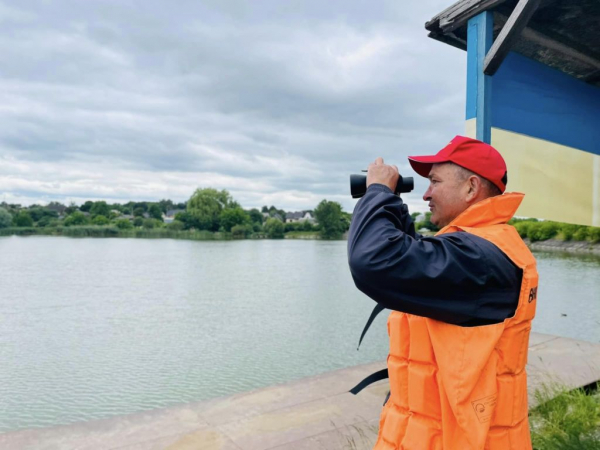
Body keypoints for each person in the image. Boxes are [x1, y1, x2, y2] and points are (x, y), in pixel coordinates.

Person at [347, 136, 538, 450]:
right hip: (439, 432)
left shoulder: (478, 260)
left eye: (434, 182)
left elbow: (374, 262)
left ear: (470, 187)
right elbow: (414, 269)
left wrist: (378, 192)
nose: (425, 193)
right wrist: (392, 203)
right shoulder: (485, 249)